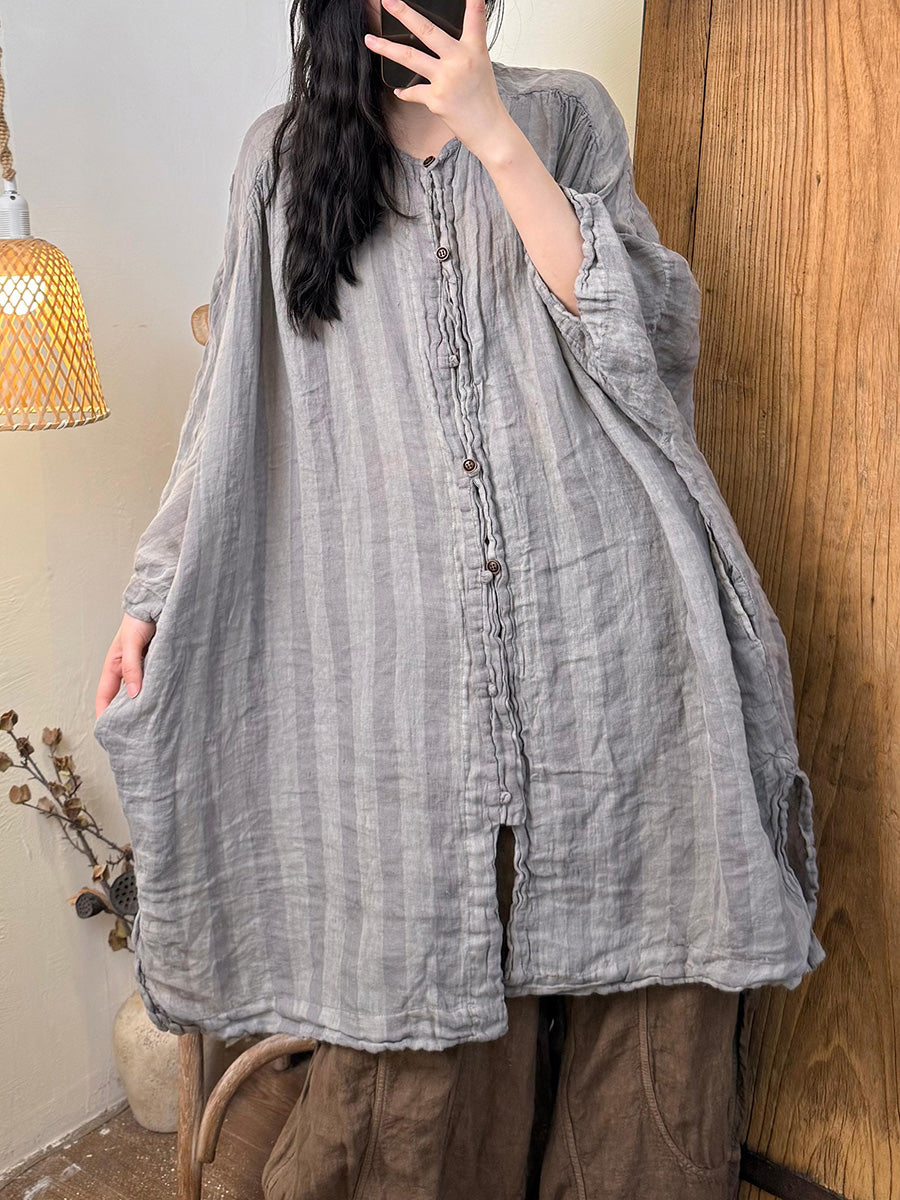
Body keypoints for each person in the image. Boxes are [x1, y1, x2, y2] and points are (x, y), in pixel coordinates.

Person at [94, 0, 825, 1196]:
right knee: (425, 963)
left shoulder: (564, 115)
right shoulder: (282, 160)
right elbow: (230, 399)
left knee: (648, 936)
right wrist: (152, 594)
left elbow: (642, 336)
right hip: (403, 653)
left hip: (602, 622)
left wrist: (493, 133)